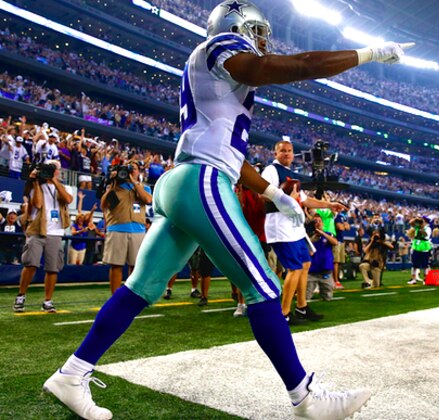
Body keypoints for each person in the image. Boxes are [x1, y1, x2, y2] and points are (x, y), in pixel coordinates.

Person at [43, 1, 411, 418]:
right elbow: (298, 65)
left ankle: (71, 374)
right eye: (258, 32)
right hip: (202, 180)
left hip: (186, 180)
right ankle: (307, 399)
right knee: (264, 287)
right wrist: (368, 54)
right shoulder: (219, 47)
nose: (262, 41)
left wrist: (275, 195)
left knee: (141, 287)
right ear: (236, 27)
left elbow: (232, 155)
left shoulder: (216, 74)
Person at [262, 139, 347, 325]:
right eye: (283, 150)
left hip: (294, 227)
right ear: (275, 154)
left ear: (294, 154)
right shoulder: (271, 170)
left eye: (289, 150)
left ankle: (301, 307)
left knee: (305, 263)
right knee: (294, 268)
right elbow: (264, 194)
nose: (287, 153)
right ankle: (283, 314)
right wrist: (286, 197)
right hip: (281, 226)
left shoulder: (290, 174)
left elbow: (305, 200)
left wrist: (329, 204)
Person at [13, 160, 73, 312]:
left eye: (55, 169)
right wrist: (35, 182)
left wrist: (54, 181)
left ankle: (47, 301)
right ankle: (21, 296)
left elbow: (68, 199)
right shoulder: (35, 185)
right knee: (30, 264)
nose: (54, 171)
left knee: (52, 268)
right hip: (37, 229)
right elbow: (38, 204)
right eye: (51, 169)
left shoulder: (64, 187)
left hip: (56, 231)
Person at [100, 160, 153, 294]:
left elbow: (148, 200)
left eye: (133, 168)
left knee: (135, 266)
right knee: (116, 265)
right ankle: (115, 298)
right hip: (116, 228)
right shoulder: (115, 186)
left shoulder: (144, 188)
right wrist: (112, 183)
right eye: (128, 168)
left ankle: (130, 295)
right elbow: (104, 205)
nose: (130, 171)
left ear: (138, 171)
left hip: (138, 230)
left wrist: (134, 183)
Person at [306, 213, 337, 301]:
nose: (318, 223)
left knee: (328, 297)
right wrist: (315, 235)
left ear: (323, 223)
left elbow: (335, 242)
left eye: (320, 221)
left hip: (325, 270)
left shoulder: (328, 234)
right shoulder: (308, 237)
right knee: (305, 297)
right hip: (311, 270)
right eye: (316, 221)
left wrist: (322, 233)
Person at [407, 217, 432, 285]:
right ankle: (414, 279)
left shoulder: (428, 228)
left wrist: (421, 228)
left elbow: (426, 235)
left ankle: (425, 279)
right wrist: (416, 219)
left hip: (424, 249)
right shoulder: (417, 227)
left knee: (425, 265)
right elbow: (410, 223)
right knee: (414, 265)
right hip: (416, 248)